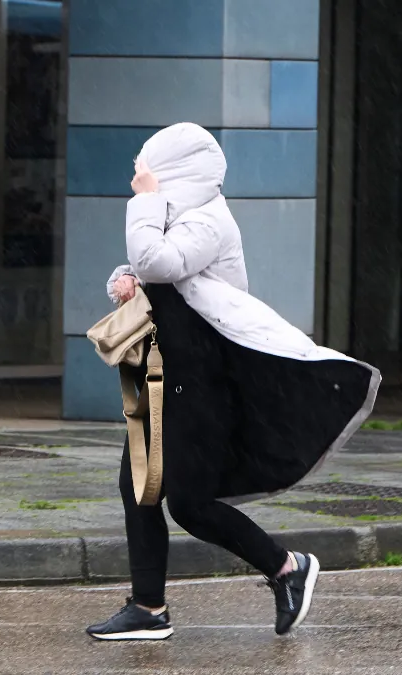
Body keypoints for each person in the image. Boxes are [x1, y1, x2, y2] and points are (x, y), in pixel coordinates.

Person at [86, 123, 381, 641]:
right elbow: (150, 266)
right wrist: (125, 278)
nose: (139, 177)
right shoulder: (177, 216)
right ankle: (148, 609)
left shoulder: (208, 220)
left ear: (173, 169)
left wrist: (146, 206)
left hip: (203, 385)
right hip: (163, 373)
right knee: (139, 487)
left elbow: (159, 260)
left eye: (147, 168)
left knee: (189, 503)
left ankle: (287, 567)